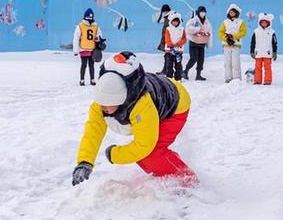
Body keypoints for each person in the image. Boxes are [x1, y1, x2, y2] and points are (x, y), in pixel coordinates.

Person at [72, 52, 198, 186]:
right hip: (157, 101)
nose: (103, 107)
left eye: (107, 103)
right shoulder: (101, 103)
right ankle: (163, 173)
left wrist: (115, 155)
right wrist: (85, 162)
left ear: (119, 99)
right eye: (101, 103)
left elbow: (144, 146)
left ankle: (188, 180)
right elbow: (93, 132)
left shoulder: (141, 105)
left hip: (175, 105)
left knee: (152, 152)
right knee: (141, 155)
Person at [73, 8, 103, 86]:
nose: (89, 18)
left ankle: (92, 80)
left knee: (91, 65)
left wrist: (98, 39)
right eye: (88, 17)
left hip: (92, 49)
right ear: (85, 17)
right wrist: (76, 50)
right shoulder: (80, 26)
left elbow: (99, 34)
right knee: (84, 65)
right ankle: (82, 80)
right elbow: (76, 38)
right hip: (83, 49)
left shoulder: (95, 26)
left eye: (91, 17)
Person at [218, 4, 247, 83]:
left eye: (233, 12)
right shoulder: (225, 22)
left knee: (235, 62)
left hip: (235, 45)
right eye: (230, 12)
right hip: (226, 45)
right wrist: (227, 38)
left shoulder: (241, 22)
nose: (231, 14)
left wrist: (233, 37)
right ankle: (228, 77)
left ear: (236, 13)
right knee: (227, 62)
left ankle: (237, 78)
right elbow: (220, 33)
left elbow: (243, 32)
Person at [183, 5, 213, 81]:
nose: (203, 13)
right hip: (193, 42)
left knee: (201, 59)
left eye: (204, 12)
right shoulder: (193, 20)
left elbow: (209, 30)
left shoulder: (206, 21)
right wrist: (198, 29)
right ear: (198, 12)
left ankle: (198, 75)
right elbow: (188, 29)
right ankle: (185, 71)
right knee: (193, 58)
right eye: (201, 12)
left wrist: (206, 35)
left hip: (202, 42)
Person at [250, 13, 277, 85]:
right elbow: (253, 42)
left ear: (268, 23)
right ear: (260, 22)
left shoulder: (272, 32)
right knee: (257, 67)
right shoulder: (256, 31)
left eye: (265, 22)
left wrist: (275, 52)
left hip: (267, 53)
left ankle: (267, 80)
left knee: (267, 67)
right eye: (262, 22)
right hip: (258, 53)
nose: (264, 23)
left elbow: (274, 43)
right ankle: (257, 80)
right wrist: (252, 51)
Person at [156, 4, 172, 75]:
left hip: (169, 40)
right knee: (167, 56)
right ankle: (166, 70)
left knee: (169, 56)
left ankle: (167, 70)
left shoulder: (171, 16)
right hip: (166, 39)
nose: (164, 13)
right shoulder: (167, 17)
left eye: (165, 11)